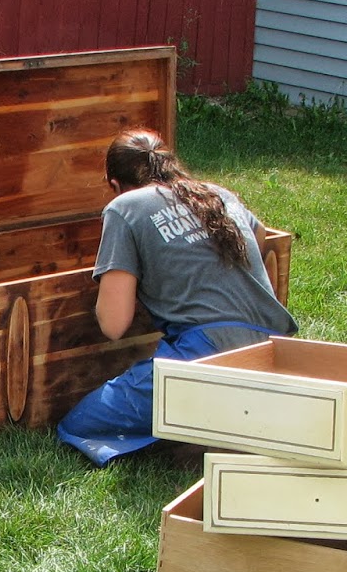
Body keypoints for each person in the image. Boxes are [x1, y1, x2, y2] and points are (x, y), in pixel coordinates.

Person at [56, 128, 297, 465]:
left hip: (206, 355)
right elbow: (258, 236)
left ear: (113, 184)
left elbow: (114, 324)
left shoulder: (123, 207)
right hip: (275, 353)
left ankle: (193, 428)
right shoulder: (218, 195)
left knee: (79, 425)